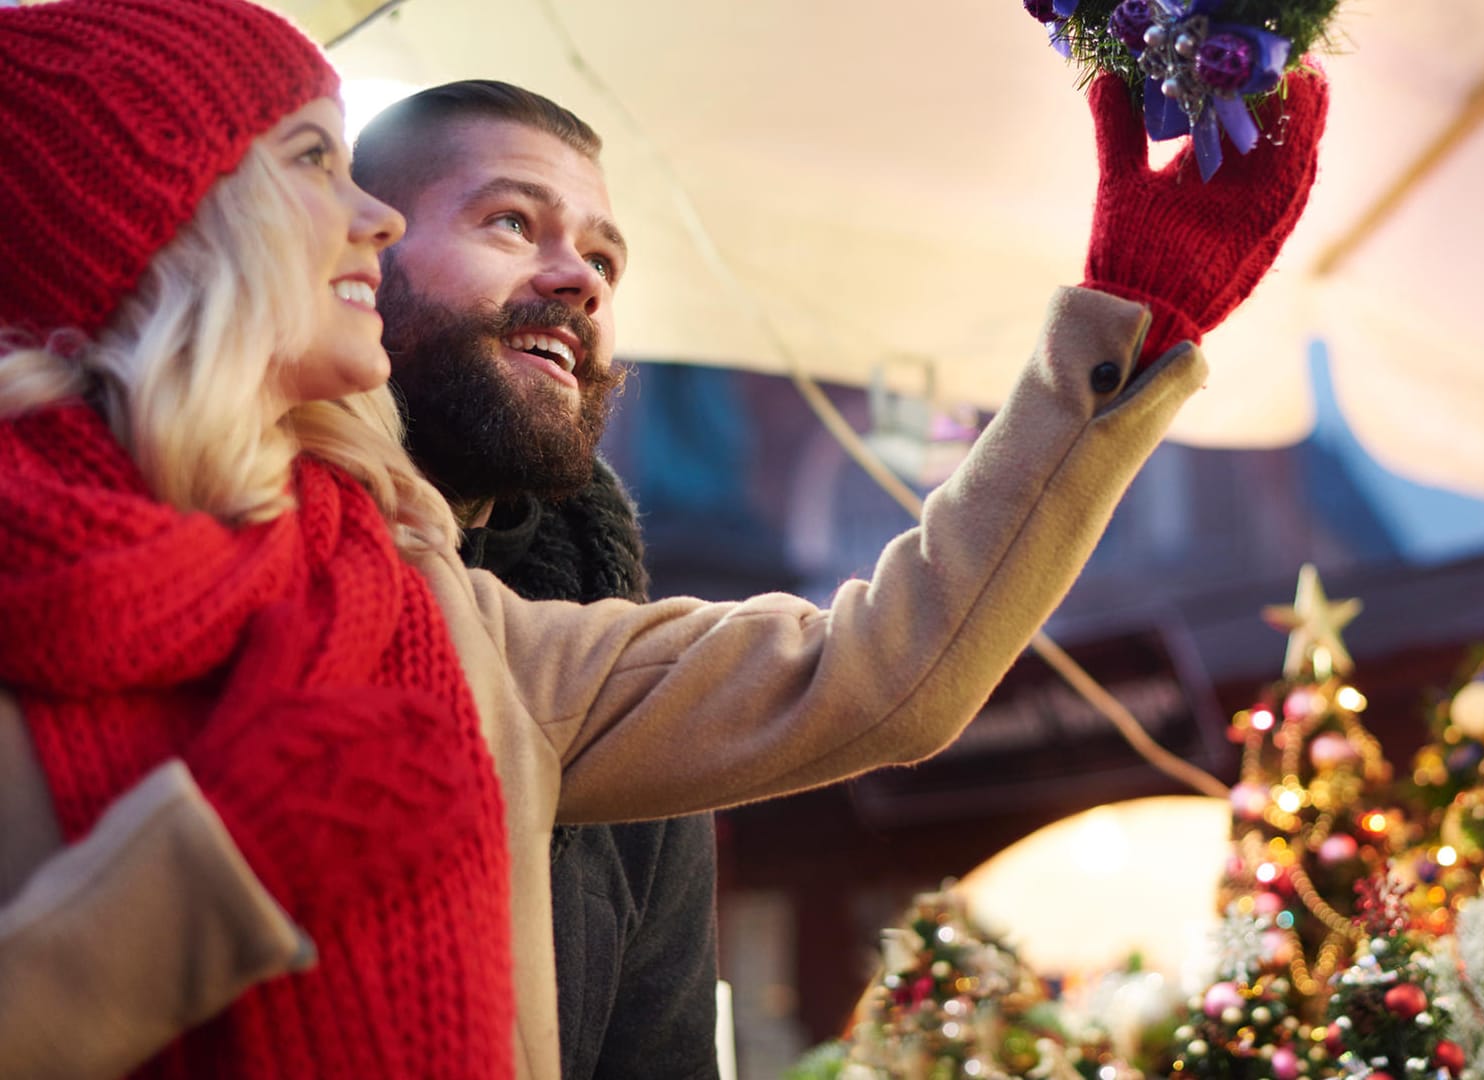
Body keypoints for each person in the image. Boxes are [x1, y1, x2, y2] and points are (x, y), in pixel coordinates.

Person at [0, 1, 1327, 1077]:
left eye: (608, 257)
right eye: (513, 221)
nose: (372, 218)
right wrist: (215, 874)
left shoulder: (446, 626)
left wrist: (1128, 324)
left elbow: (872, 674)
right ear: (164, 215)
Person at [354, 82, 721, 1079]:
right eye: (513, 222)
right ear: (355, 258)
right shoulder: (210, 562)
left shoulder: (615, 680)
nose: (583, 283)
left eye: (603, 258)